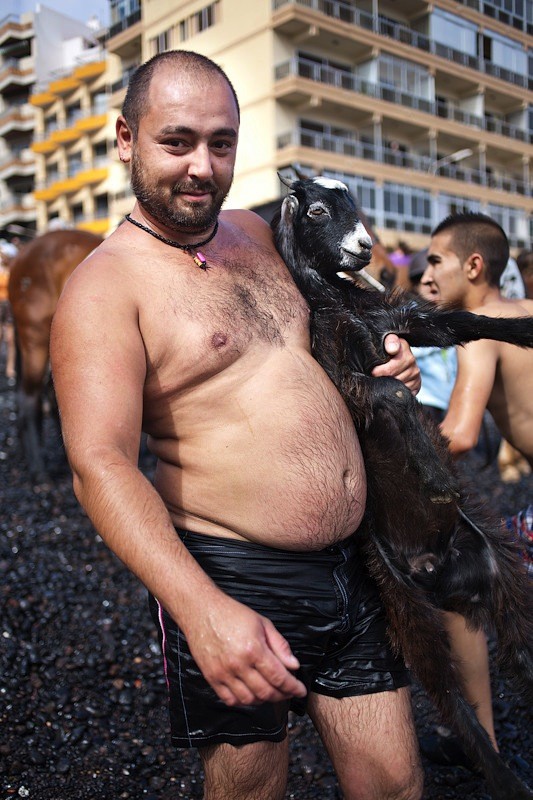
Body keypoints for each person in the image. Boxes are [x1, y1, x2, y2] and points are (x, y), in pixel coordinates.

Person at [50, 51, 424, 800]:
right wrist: (202, 611)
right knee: (250, 790)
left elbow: (320, 337)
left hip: (350, 561)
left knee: (394, 784)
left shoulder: (256, 232)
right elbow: (99, 464)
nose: (202, 167)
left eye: (220, 144)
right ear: (126, 139)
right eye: (177, 142)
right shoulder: (103, 288)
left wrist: (388, 358)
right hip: (233, 574)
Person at [419, 212, 533, 766]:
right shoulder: (525, 310)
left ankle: (477, 741)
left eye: (435, 261)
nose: (427, 275)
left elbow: (460, 435)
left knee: (460, 580)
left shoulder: (482, 327)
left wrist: (395, 459)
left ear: (473, 266)